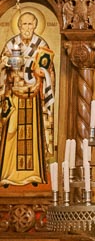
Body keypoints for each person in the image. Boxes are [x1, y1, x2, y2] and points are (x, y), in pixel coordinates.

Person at [0, 10, 55, 187]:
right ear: (18, 26)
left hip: (34, 98)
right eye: (24, 24)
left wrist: (43, 73)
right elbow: (2, 65)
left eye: (30, 24)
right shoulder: (11, 44)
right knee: (11, 131)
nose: (27, 28)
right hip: (15, 95)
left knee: (33, 135)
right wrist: (7, 63)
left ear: (35, 26)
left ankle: (34, 175)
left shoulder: (41, 45)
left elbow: (49, 70)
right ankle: (8, 174)